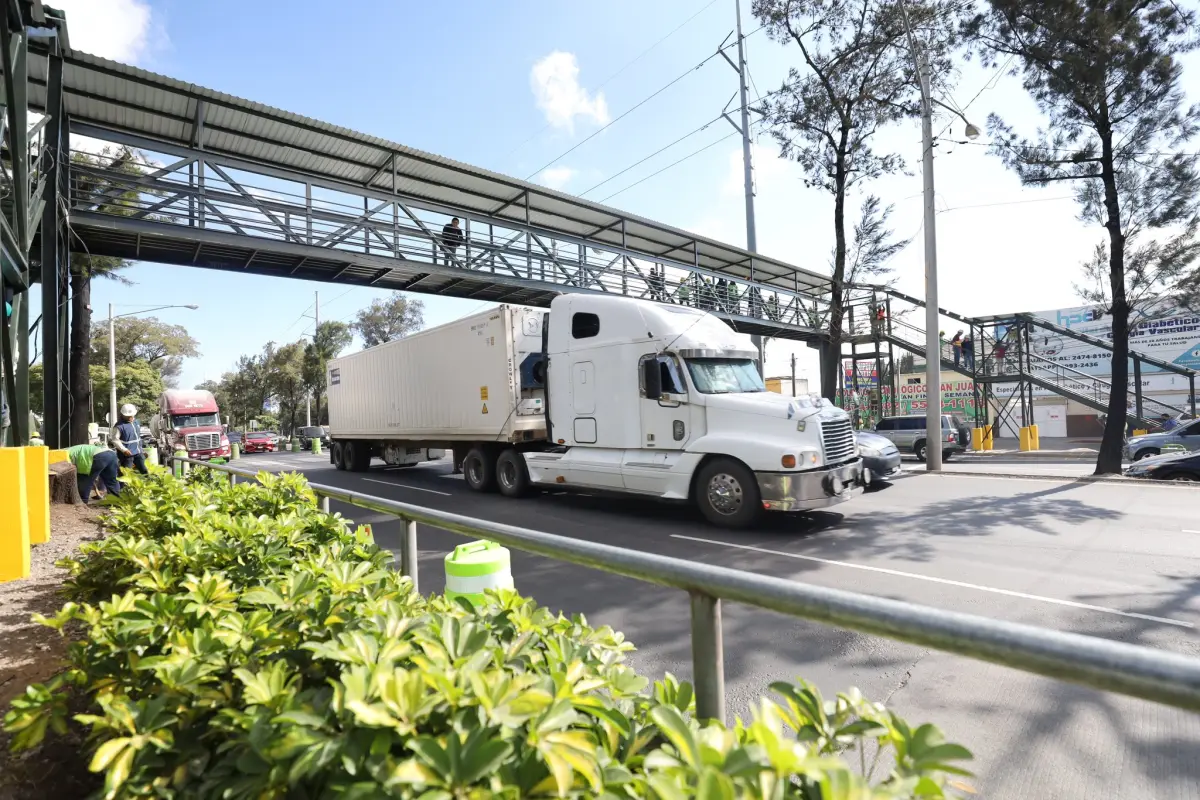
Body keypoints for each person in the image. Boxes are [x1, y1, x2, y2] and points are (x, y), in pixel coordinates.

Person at [113, 403, 148, 474]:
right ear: (123, 415)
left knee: (144, 471)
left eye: (131, 415)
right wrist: (124, 450)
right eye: (128, 416)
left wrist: (142, 450)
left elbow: (137, 438)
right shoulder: (119, 426)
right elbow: (115, 440)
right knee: (126, 474)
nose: (130, 417)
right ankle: (123, 485)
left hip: (138, 452)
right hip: (127, 455)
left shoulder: (136, 422)